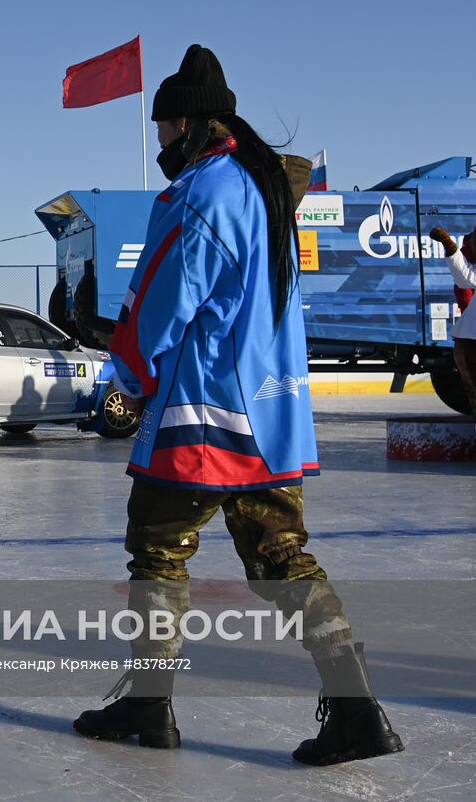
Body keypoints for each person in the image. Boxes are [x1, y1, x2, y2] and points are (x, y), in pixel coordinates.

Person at [72, 45, 403, 766]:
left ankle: (149, 703)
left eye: (162, 130)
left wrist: (125, 375)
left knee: (158, 549)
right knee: (283, 558)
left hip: (203, 416)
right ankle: (358, 711)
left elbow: (162, 300)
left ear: (187, 121)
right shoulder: (261, 189)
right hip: (268, 413)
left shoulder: (203, 192)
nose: (158, 144)